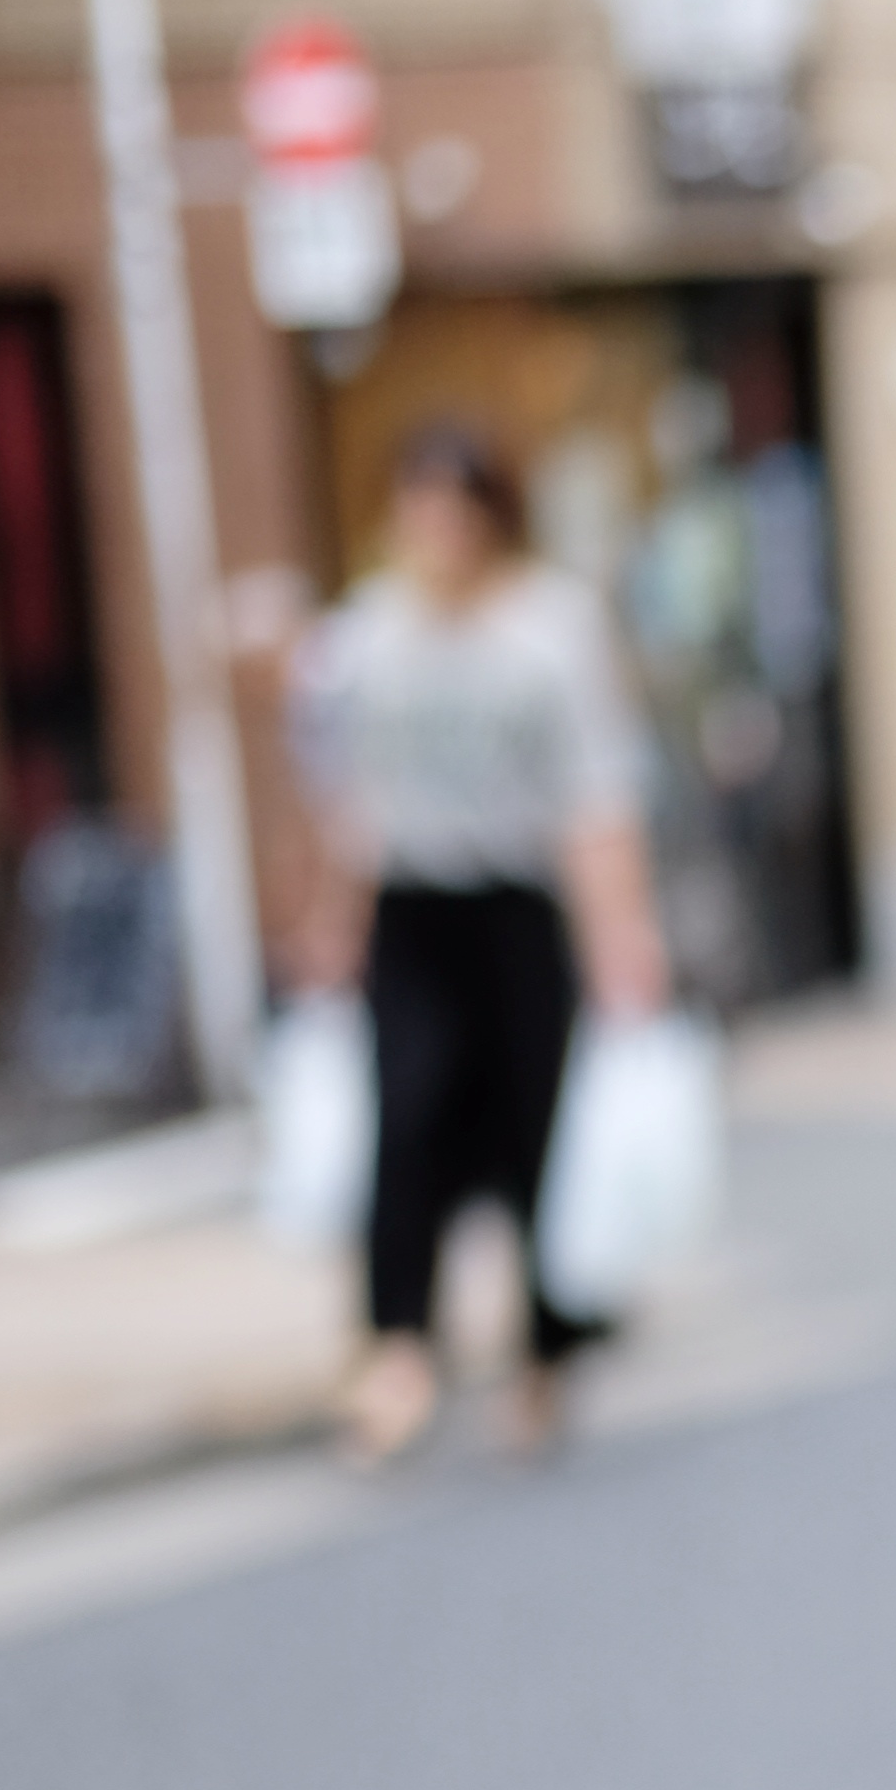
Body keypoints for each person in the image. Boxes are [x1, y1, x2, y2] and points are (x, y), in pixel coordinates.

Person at [289, 424, 667, 1464]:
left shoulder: (552, 627)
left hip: (517, 904)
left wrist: (621, 930)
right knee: (404, 1125)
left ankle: (546, 1348)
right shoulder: (369, 634)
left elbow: (596, 793)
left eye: (457, 508)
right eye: (419, 505)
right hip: (414, 909)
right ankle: (399, 1349)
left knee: (529, 1131)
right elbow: (346, 795)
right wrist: (331, 921)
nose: (437, 530)